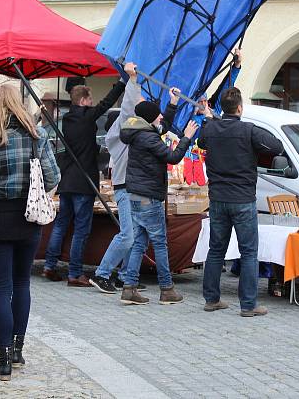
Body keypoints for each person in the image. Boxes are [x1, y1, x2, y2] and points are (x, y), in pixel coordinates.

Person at [0, 84, 60, 381]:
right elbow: (53, 177)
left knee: (1, 289)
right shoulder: (37, 136)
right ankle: (19, 351)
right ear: (18, 105)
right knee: (22, 285)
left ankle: (4, 361)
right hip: (29, 216)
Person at [199, 87, 284, 317]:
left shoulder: (212, 128)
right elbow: (276, 146)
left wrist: (209, 120)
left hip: (217, 199)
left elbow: (202, 140)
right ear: (240, 108)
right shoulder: (248, 130)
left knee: (216, 250)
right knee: (248, 252)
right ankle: (248, 305)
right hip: (243, 199)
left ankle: (211, 299)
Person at [43, 79, 126, 286]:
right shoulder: (88, 117)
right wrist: (121, 83)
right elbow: (106, 103)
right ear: (82, 100)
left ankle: (49, 265)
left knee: (61, 225)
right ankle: (75, 273)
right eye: (89, 99)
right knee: (81, 229)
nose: (92, 103)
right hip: (83, 182)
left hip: (68, 180)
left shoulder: (66, 119)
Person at [119, 93, 199, 305]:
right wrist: (187, 138)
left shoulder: (140, 132)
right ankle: (166, 289)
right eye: (158, 114)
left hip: (135, 195)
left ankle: (129, 288)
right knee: (160, 244)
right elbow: (173, 157)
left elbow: (163, 127)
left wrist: (173, 103)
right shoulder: (148, 137)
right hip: (148, 198)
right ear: (150, 118)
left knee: (139, 243)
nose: (161, 116)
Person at [89, 63, 144, 293]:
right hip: (124, 189)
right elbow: (129, 110)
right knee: (128, 235)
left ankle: (124, 276)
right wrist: (132, 81)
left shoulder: (125, 137)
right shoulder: (123, 135)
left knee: (133, 235)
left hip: (131, 188)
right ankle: (101, 273)